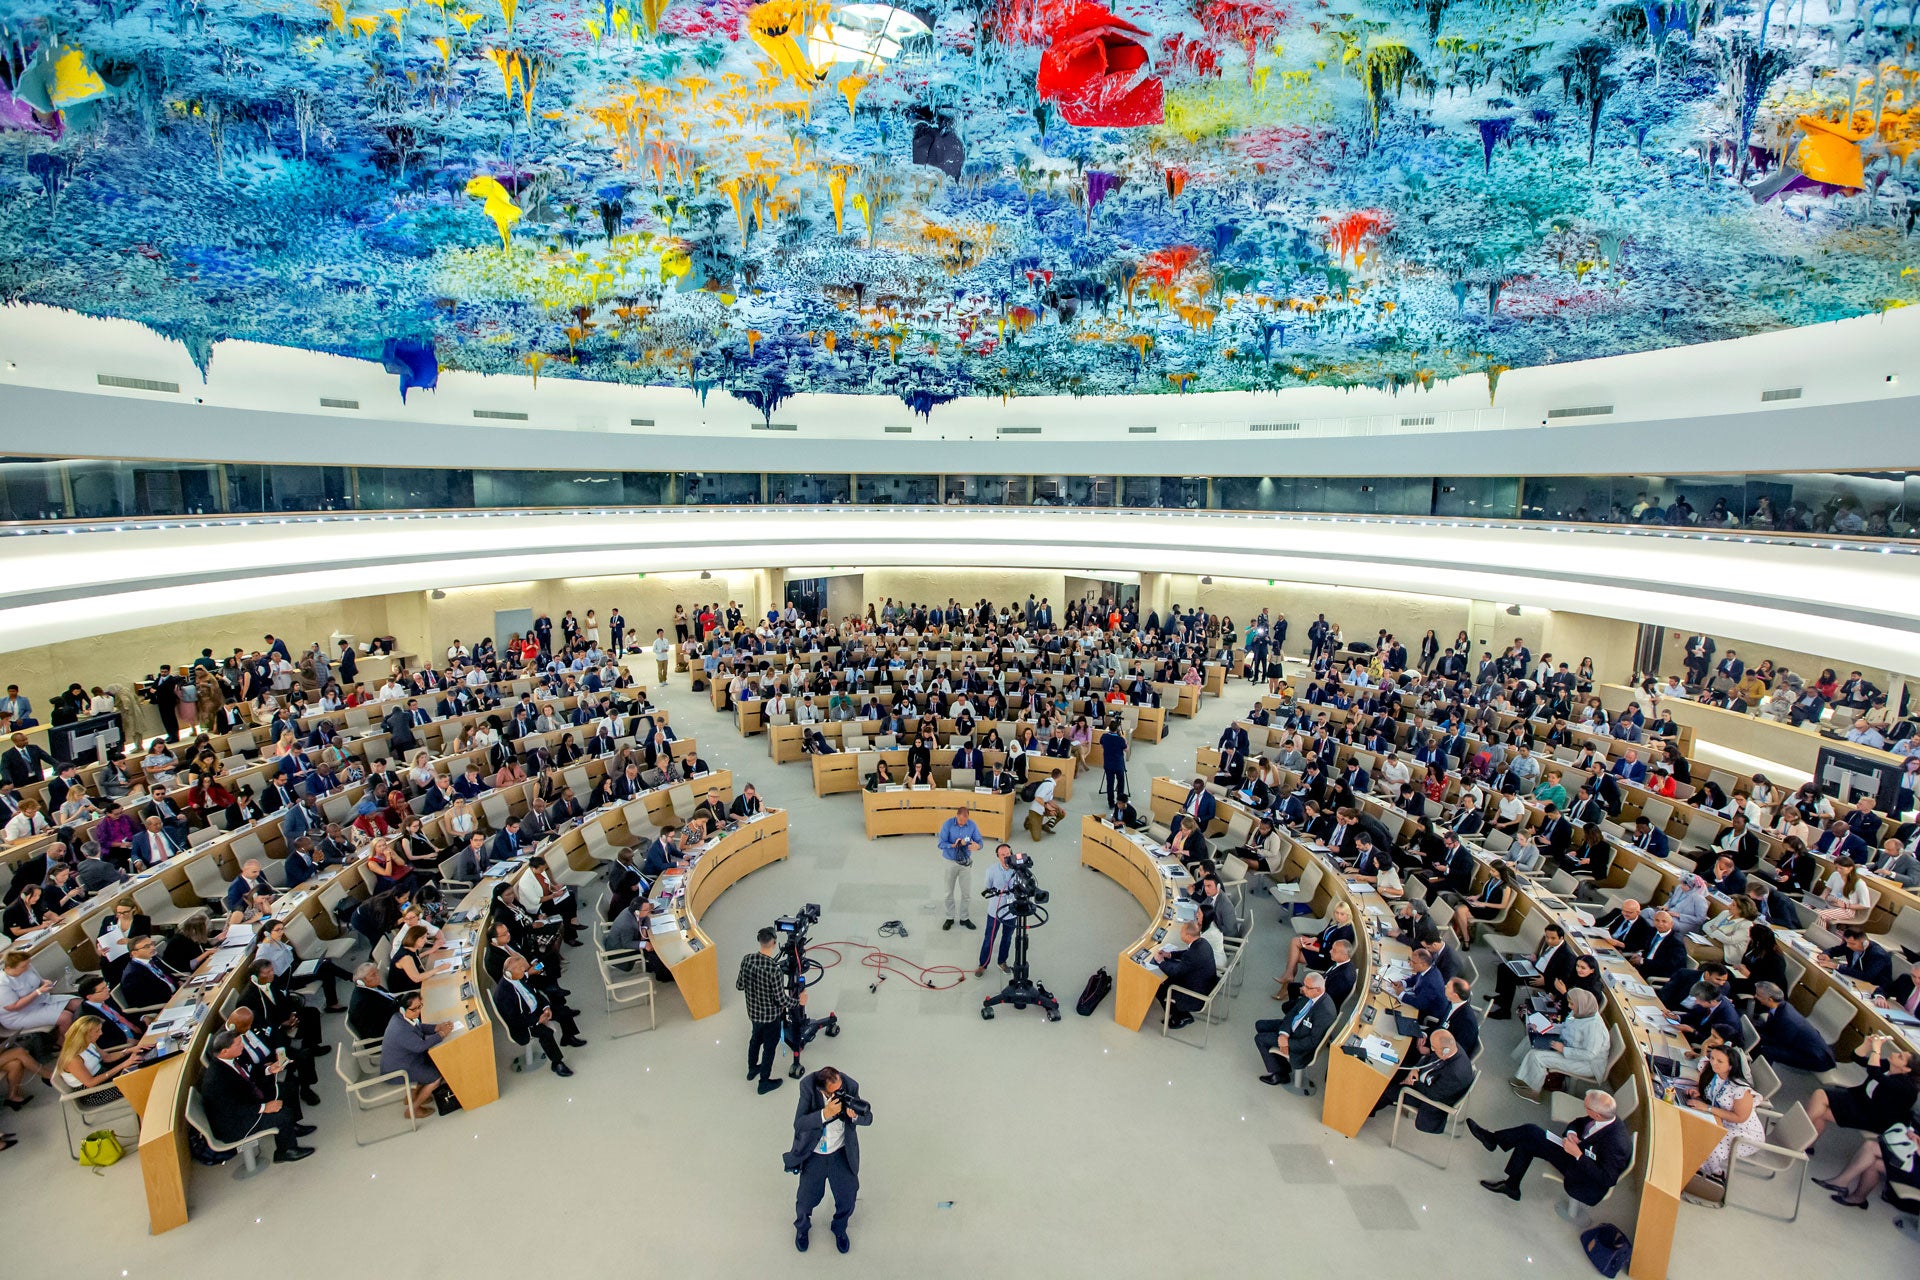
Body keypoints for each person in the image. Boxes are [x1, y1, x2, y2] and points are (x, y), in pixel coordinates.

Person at [1468, 1090, 1632, 1211]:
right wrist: (1572, 1133)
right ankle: (1510, 1184)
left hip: (1584, 1178)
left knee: (1529, 1135)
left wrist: (1578, 1154)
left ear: (1596, 1115)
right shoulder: (1604, 1117)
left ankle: (1493, 1143)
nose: (1585, 1110)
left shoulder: (1617, 1144)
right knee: (1529, 1136)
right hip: (1575, 1152)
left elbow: (1607, 1179)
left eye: (1586, 1108)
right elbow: (1578, 1122)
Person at [784, 1065, 872, 1254]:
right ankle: (802, 1229)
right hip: (814, 1154)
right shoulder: (808, 1087)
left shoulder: (850, 1086)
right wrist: (825, 1113)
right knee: (805, 1199)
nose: (840, 1093)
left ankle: (839, 1228)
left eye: (841, 1088)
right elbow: (799, 1124)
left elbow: (869, 1118)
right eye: (835, 1092)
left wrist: (855, 1117)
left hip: (840, 1153)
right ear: (822, 1090)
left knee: (848, 1196)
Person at [202, 1030, 315, 1163]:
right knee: (283, 1114)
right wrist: (264, 1107)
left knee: (288, 1088)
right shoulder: (215, 1080)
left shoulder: (232, 1058)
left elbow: (251, 1072)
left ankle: (292, 1127)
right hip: (234, 1124)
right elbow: (231, 1110)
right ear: (224, 1051)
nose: (243, 1046)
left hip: (247, 1098)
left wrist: (269, 1070)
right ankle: (285, 1151)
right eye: (238, 1044)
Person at [1804, 1034, 1916, 1141]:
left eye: (1900, 1057)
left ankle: (1798, 1132)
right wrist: (1867, 1044)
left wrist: (1876, 1050)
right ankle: (1804, 1143)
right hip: (1860, 1099)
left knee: (1820, 1104)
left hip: (1873, 1116)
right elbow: (1856, 1057)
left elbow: (1874, 1072)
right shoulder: (1889, 1065)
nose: (1895, 1054)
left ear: (1907, 1070)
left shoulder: (1905, 1087)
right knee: (1819, 1105)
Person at [494, 953, 585, 1077]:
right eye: (521, 968)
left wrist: (546, 1007)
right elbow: (515, 1020)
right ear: (510, 973)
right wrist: (537, 1020)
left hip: (536, 1010)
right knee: (546, 1033)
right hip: (525, 1022)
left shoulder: (519, 977)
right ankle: (557, 1063)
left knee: (563, 1011)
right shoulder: (503, 994)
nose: (524, 971)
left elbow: (536, 995)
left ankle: (568, 1037)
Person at [1512, 988, 1608, 1099]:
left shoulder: (1594, 1027)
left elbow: (1589, 1054)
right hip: (1569, 1046)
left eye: (1572, 1004)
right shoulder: (1580, 1011)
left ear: (1580, 1005)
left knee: (1537, 1056)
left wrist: (1563, 1050)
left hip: (1587, 1064)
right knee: (1532, 1040)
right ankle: (1525, 1078)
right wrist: (1544, 1028)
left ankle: (1533, 1092)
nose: (1570, 1006)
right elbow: (1564, 1026)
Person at [1374, 1027, 1475, 1131]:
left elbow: (1432, 1094)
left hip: (1428, 1099)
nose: (1432, 1049)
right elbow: (1430, 1058)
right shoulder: (1452, 1047)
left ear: (1445, 1051)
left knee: (1386, 1088)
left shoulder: (1455, 1074)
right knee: (1398, 1065)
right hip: (1423, 1078)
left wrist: (1413, 1082)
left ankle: (1366, 1111)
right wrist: (1415, 1068)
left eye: (1434, 1047)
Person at [738, 927, 799, 1095]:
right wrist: (798, 1002)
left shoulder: (747, 960)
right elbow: (781, 1000)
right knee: (769, 1048)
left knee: (755, 1040)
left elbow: (739, 985)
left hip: (753, 1014)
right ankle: (764, 1082)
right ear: (773, 942)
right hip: (771, 1018)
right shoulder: (774, 969)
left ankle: (752, 1069)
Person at [380, 989, 453, 1120]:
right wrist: (441, 1034)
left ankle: (415, 1095)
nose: (418, 1011)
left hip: (407, 1060)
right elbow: (420, 1046)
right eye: (414, 1009)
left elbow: (418, 1026)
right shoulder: (400, 1029)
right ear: (403, 1010)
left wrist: (437, 1027)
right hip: (399, 1068)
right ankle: (413, 1110)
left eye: (420, 1006)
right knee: (436, 1078)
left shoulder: (401, 1017)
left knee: (433, 1064)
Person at [1253, 970, 1334, 1086]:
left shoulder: (1325, 1012)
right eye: (1304, 985)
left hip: (1301, 1043)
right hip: (1294, 1029)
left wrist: (1287, 1043)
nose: (1303, 989)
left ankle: (1280, 1074)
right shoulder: (1311, 995)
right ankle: (1281, 1063)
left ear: (1318, 990)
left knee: (1260, 1039)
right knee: (1259, 1025)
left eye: (1307, 987)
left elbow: (1311, 1042)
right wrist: (1284, 1034)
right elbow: (1292, 1013)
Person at [1749, 982, 1834, 1072]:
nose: (1755, 996)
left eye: (1758, 995)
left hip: (1816, 1058)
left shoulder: (1786, 1019)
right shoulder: (1780, 1006)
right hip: (1797, 1044)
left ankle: (1757, 1072)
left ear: (1770, 999)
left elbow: (1780, 1043)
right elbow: (1770, 1028)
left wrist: (1758, 1037)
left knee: (1766, 1050)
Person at [1153, 919, 1217, 1030]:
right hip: (1204, 985)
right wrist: (1170, 955)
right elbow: (1186, 953)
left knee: (1159, 986)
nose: (1179, 934)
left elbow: (1175, 972)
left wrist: (1160, 961)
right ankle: (1179, 1013)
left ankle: (1180, 1016)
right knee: (1167, 980)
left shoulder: (1193, 954)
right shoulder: (1202, 943)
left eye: (1181, 932)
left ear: (1187, 936)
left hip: (1196, 996)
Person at [1, 949, 78, 1036]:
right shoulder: (3, 983)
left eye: (28, 964)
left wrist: (45, 982)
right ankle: (65, 1044)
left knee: (78, 1003)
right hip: (19, 1015)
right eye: (23, 966)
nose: (28, 967)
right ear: (9, 968)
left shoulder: (27, 966)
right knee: (66, 1017)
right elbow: (13, 1007)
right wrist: (38, 992)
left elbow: (39, 980)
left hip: (41, 1000)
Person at [975, 843, 1020, 978]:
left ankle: (1002, 962)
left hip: (1011, 912)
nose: (1006, 857)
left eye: (1008, 854)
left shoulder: (1018, 870)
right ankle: (983, 964)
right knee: (989, 938)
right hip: (995, 911)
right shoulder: (991, 870)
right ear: (998, 857)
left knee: (1007, 938)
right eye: (1003, 855)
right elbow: (988, 886)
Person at [937, 806, 982, 931]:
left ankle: (964, 918)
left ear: (968, 818)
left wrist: (977, 846)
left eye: (964, 821)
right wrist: (954, 845)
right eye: (960, 820)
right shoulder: (948, 824)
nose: (962, 823)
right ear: (956, 816)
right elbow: (940, 843)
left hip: (964, 863)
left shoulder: (972, 825)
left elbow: (980, 842)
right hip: (950, 861)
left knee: (966, 893)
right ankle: (950, 917)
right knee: (948, 892)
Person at [1023, 768, 1064, 840]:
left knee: (1061, 813)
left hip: (1043, 808)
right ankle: (1029, 820)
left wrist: (1058, 808)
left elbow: (1049, 800)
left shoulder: (1051, 783)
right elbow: (1038, 798)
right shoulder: (1048, 785)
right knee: (1036, 838)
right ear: (1060, 777)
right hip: (1035, 811)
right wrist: (1049, 808)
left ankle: (1045, 826)